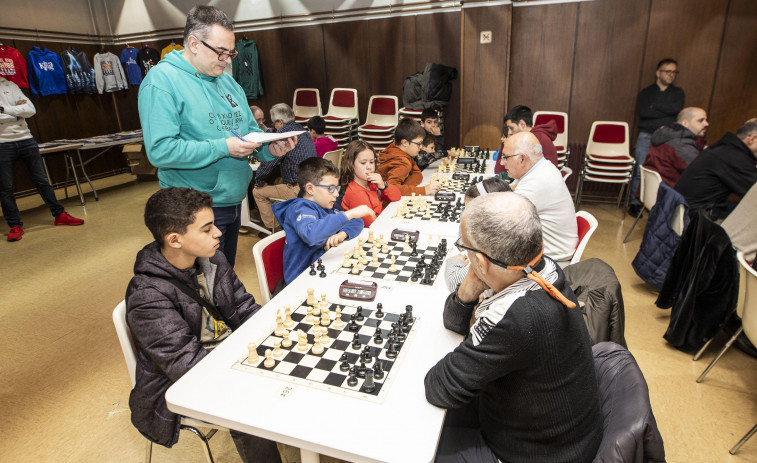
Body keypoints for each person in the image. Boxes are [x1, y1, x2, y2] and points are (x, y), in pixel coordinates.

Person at [425, 192, 602, 463]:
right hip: (558, 429)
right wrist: (471, 285)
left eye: (465, 248)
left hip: (535, 453)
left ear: (482, 262)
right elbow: (454, 322)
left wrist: (478, 275)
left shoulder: (516, 315)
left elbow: (439, 386)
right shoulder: (543, 267)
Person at [125, 187, 281, 462]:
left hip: (228, 354)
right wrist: (247, 368)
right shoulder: (147, 296)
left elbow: (245, 307)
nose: (218, 233)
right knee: (245, 407)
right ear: (175, 240)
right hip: (179, 383)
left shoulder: (213, 259)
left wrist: (274, 335)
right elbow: (187, 366)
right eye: (207, 229)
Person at [138, 5, 296, 267]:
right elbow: (161, 151)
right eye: (220, 51)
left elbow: (249, 133)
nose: (227, 59)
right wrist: (223, 147)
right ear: (194, 43)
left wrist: (269, 148)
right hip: (193, 210)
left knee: (223, 281)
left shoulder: (227, 81)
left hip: (232, 199)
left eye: (230, 51)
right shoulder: (162, 81)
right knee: (204, 287)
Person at [0, 76, 83, 242]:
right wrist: (17, 111)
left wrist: (4, 110)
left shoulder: (9, 84)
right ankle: (15, 225)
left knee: (42, 180)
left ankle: (59, 215)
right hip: (2, 143)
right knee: (5, 188)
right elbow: (23, 111)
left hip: (26, 139)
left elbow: (30, 110)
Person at [272, 157, 372, 285]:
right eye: (331, 188)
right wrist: (349, 214)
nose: (336, 194)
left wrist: (342, 234)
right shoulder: (300, 209)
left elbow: (357, 221)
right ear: (310, 189)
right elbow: (311, 234)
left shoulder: (326, 207)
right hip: (301, 280)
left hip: (324, 268)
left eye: (337, 188)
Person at [500, 132, 578, 266]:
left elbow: (501, 221)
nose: (502, 162)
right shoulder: (541, 168)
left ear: (522, 159)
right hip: (549, 249)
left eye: (506, 157)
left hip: (552, 260)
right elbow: (511, 190)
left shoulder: (535, 183)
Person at [630, 58, 685, 216]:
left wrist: (655, 106)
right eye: (668, 71)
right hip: (646, 135)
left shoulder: (678, 93)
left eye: (674, 72)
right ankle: (635, 204)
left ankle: (657, 205)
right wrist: (664, 111)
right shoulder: (647, 92)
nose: (671, 75)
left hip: (669, 138)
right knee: (641, 169)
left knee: (663, 172)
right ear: (658, 73)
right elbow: (645, 112)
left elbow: (676, 109)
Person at [253, 103, 316, 237]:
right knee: (277, 180)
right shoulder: (303, 130)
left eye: (274, 123)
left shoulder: (283, 134)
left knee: (257, 192)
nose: (274, 127)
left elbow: (268, 163)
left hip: (297, 189)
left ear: (280, 122)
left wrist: (258, 182)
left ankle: (273, 230)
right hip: (312, 184)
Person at [675, 118, 757, 220]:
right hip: (698, 220)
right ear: (752, 139)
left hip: (685, 209)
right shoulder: (735, 157)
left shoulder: (724, 146)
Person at [444, 177, 512, 291]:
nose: (466, 216)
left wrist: (454, 262)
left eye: (472, 212)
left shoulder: (493, 246)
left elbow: (454, 283)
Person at [340, 140, 401, 227]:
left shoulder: (372, 182)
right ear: (351, 165)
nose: (369, 167)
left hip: (381, 222)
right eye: (363, 163)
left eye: (371, 162)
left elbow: (397, 196)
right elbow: (371, 223)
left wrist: (383, 186)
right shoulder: (356, 192)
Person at [643, 107, 708, 187]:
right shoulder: (681, 145)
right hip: (671, 194)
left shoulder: (669, 135)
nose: (706, 124)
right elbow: (701, 173)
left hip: (658, 190)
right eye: (701, 120)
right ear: (685, 123)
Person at [377, 118, 441, 196]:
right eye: (418, 143)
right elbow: (392, 189)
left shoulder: (397, 149)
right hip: (387, 204)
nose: (421, 147)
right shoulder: (403, 163)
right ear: (405, 143)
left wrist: (405, 186)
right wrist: (423, 190)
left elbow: (418, 174)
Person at [494, 105, 559, 173]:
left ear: (522, 124)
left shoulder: (529, 140)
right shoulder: (538, 134)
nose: (509, 132)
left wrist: (506, 143)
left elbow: (499, 170)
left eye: (511, 128)